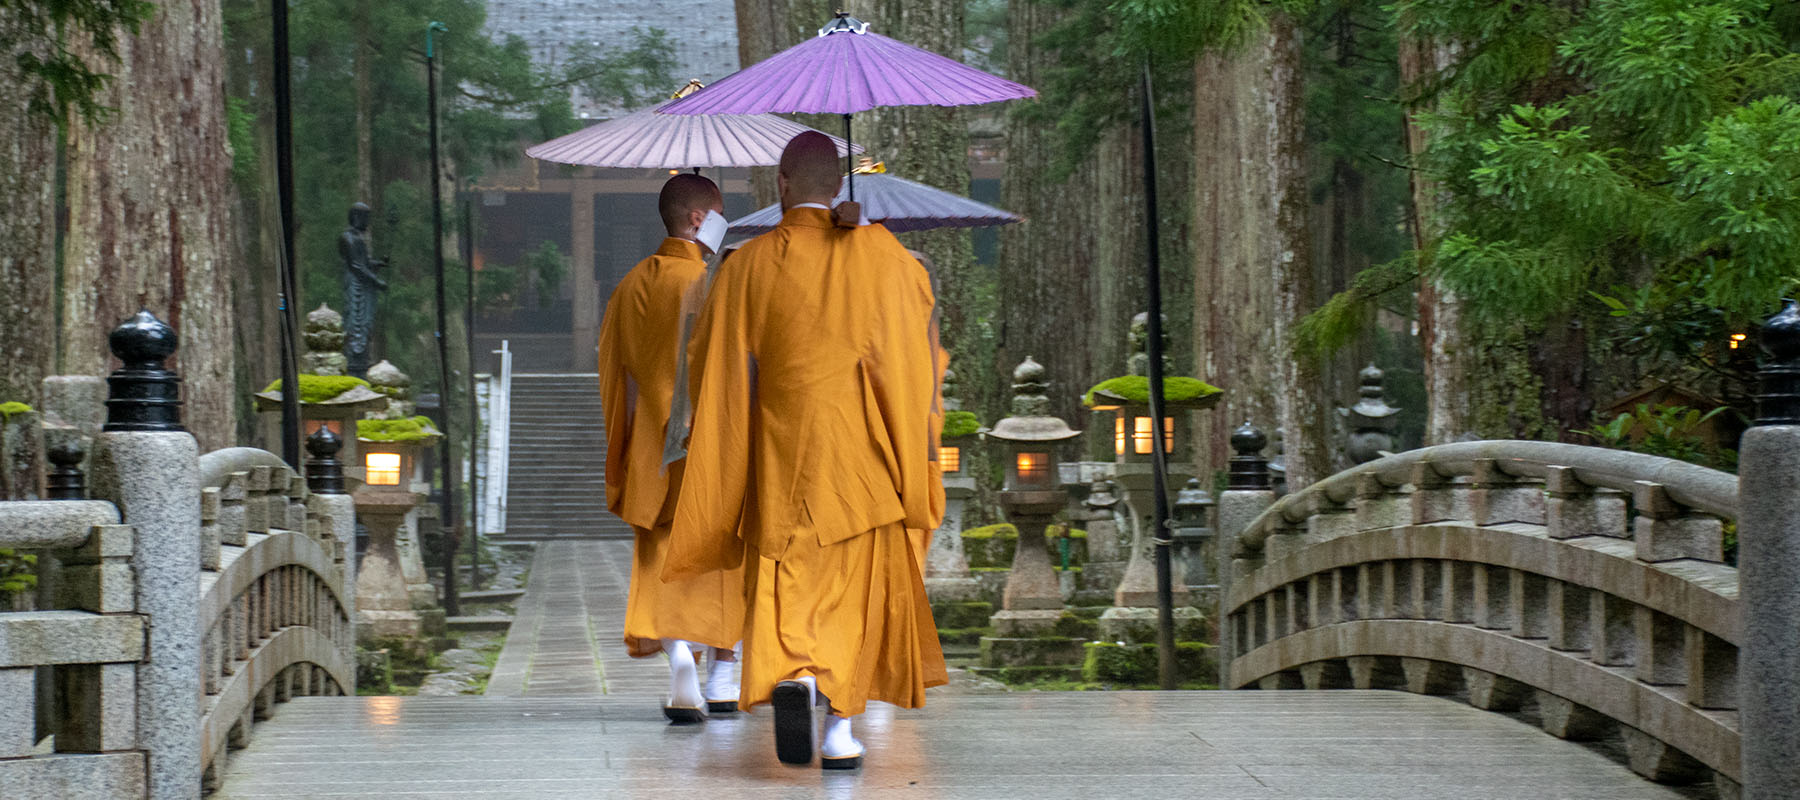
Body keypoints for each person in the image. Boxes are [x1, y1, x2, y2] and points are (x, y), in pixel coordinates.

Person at [665, 131, 948, 769]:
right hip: (862, 459)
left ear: (782, 185)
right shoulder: (885, 259)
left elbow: (715, 362)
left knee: (786, 578)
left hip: (778, 456)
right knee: (850, 591)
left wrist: (719, 454)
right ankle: (840, 729)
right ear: (839, 188)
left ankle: (795, 671)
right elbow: (908, 364)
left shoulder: (746, 265)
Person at [597, 173, 744, 723]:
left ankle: (679, 653)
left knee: (660, 552)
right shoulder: (713, 285)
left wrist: (631, 445)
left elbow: (616, 377)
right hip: (706, 442)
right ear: (699, 219)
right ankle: (723, 671)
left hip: (650, 446)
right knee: (720, 552)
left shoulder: (631, 285)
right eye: (721, 211)